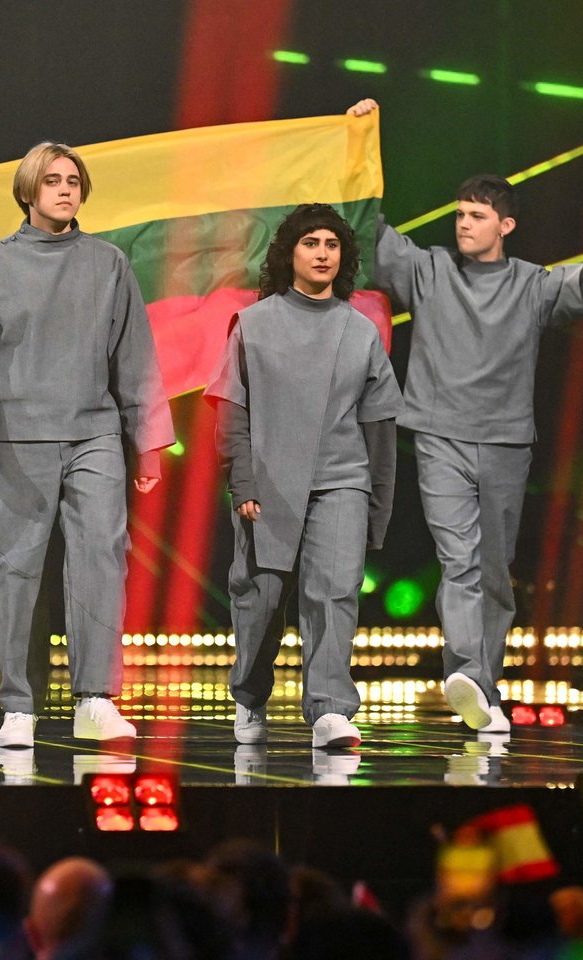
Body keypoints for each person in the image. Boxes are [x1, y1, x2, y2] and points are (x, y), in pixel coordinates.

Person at [348, 98, 583, 733]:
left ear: (505, 225)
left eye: (476, 216)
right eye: (460, 214)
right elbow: (366, 229)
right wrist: (357, 142)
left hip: (506, 444)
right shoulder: (428, 270)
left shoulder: (533, 285)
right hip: (438, 438)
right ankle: (468, 672)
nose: (463, 224)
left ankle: (482, 690)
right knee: (458, 560)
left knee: (492, 571)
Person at [0, 141, 175, 746]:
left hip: (94, 433)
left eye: (73, 180)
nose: (66, 189)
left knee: (101, 559)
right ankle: (20, 705)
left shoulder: (107, 262)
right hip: (15, 438)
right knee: (15, 568)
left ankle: (95, 698)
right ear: (27, 191)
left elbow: (134, 356)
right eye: (52, 180)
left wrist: (147, 442)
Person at [206, 203, 403, 749]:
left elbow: (379, 425)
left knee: (334, 593)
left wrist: (377, 508)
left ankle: (331, 710)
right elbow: (231, 410)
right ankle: (249, 696)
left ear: (344, 256)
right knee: (261, 600)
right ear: (289, 253)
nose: (322, 254)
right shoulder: (254, 324)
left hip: (342, 480)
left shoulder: (361, 331)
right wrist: (242, 482)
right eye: (310, 243)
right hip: (268, 484)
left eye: (331, 244)